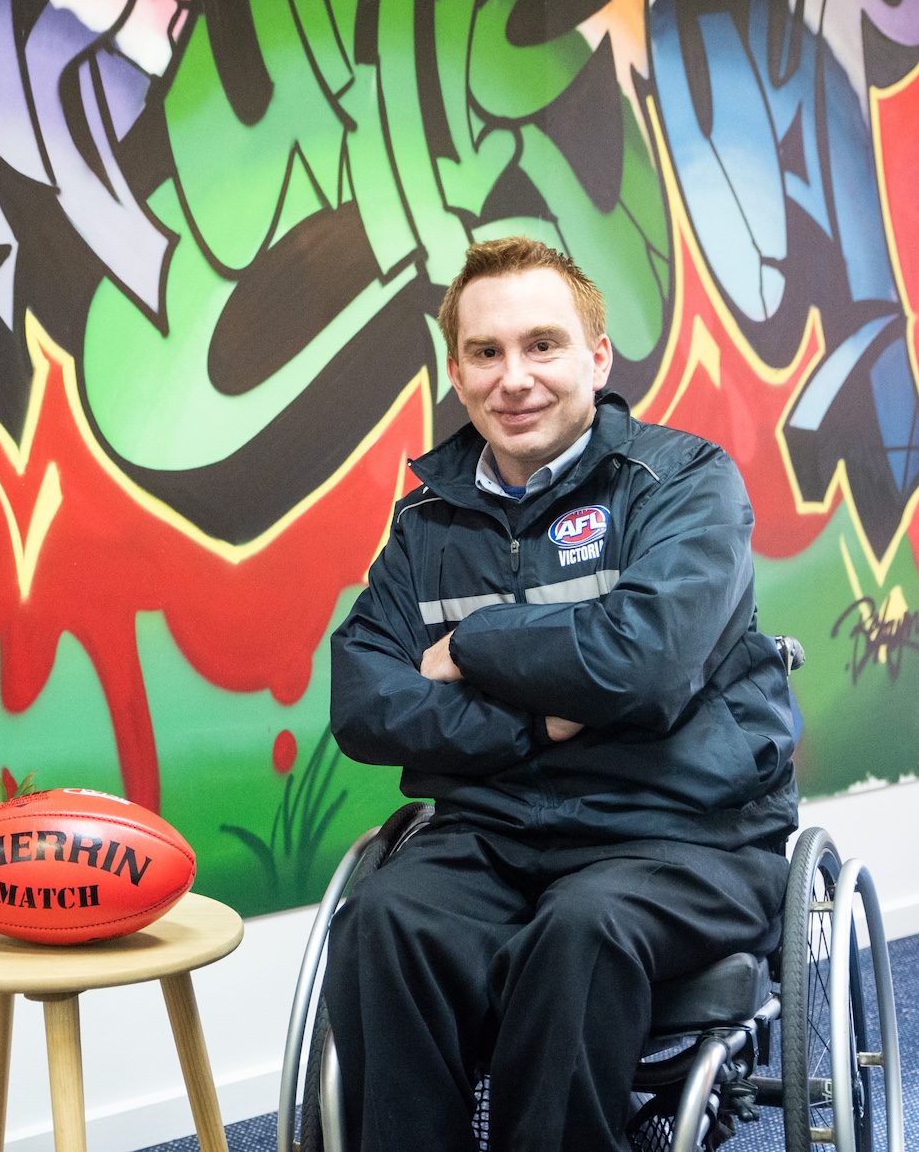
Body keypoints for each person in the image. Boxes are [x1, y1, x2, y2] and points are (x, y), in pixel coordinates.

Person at [324, 236, 800, 1152]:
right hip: (494, 836)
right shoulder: (428, 518)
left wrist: (471, 642)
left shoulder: (684, 482)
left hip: (683, 835)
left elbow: (644, 664)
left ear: (597, 356)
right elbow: (364, 700)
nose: (516, 379)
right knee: (384, 919)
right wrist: (539, 721)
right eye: (486, 352)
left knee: (582, 931)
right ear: (456, 370)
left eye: (543, 345)